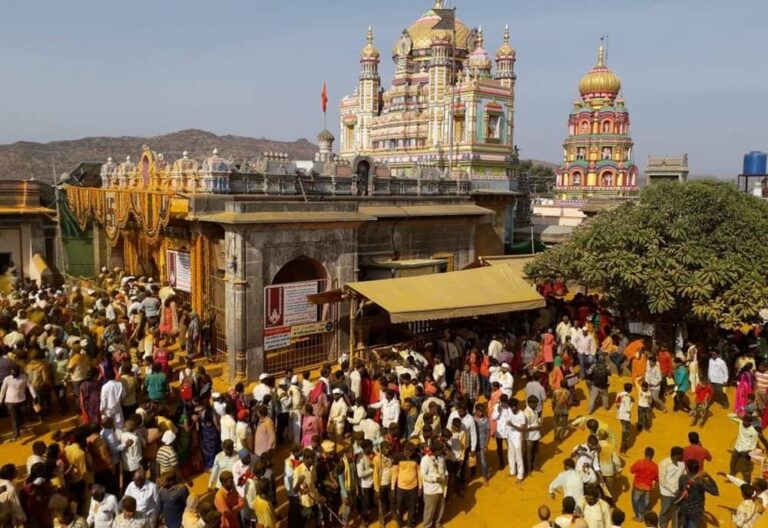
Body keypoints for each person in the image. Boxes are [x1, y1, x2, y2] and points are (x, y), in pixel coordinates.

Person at [676, 459, 719, 528]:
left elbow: (681, 490)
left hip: (684, 508)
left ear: (687, 468)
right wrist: (709, 476)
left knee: (685, 525)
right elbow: (715, 492)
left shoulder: (682, 478)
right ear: (698, 468)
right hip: (696, 510)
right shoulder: (701, 481)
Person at [0, 364, 37, 440]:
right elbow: (3, 390)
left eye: (15, 372)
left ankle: (21, 426)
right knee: (14, 417)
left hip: (21, 400)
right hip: (10, 401)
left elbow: (30, 387)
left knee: (22, 415)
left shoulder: (24, 378)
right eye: (12, 372)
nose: (13, 373)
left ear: (18, 372)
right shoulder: (7, 379)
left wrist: (34, 396)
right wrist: (0, 400)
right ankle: (16, 434)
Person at [421, 439, 447, 528]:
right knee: (429, 510)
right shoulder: (425, 460)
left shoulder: (441, 458)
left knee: (440, 508)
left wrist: (446, 475)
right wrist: (435, 479)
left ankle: (437, 523)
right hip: (431, 490)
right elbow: (423, 475)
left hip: (441, 488)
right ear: (435, 450)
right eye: (440, 450)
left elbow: (444, 469)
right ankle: (427, 526)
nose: (441, 452)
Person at [658, 446, 685, 528]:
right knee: (664, 512)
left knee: (676, 513)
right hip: (667, 493)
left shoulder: (682, 464)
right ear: (676, 455)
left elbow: (683, 476)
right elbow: (662, 481)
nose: (682, 457)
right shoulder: (663, 464)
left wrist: (681, 490)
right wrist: (674, 490)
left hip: (678, 494)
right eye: (681, 455)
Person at [630, 447, 658, 522]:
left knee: (635, 501)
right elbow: (656, 478)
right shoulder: (655, 466)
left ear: (645, 454)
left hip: (638, 487)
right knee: (645, 502)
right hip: (648, 488)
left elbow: (631, 470)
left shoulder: (639, 462)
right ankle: (642, 514)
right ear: (652, 455)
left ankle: (638, 516)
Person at [615, 382, 634, 453]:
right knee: (625, 433)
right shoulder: (627, 398)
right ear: (631, 390)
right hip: (625, 416)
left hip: (620, 414)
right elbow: (628, 409)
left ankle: (623, 447)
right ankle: (622, 449)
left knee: (623, 429)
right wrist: (632, 403)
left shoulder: (619, 394)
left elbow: (617, 403)